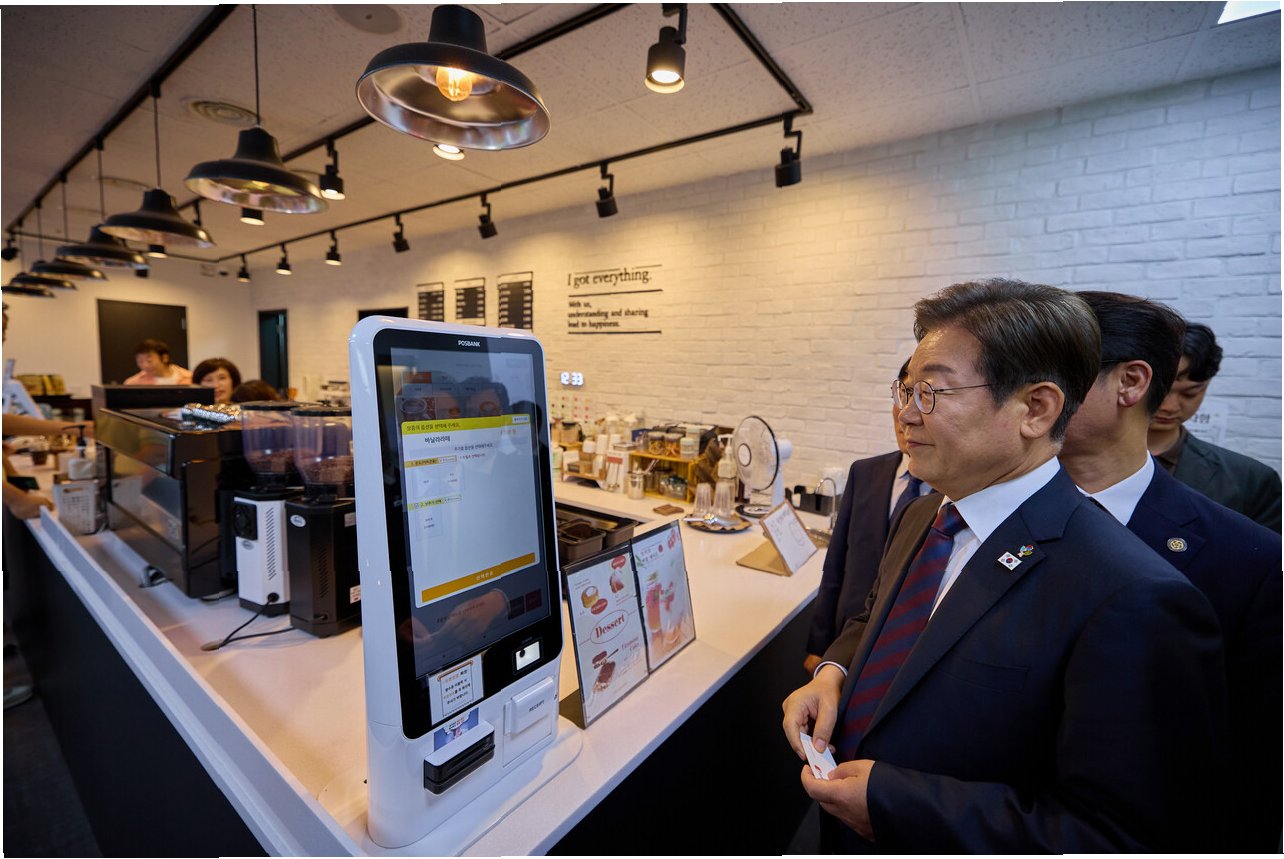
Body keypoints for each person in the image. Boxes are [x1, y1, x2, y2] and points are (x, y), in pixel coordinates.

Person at [782, 278, 1226, 852]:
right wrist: (832, 675)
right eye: (906, 389)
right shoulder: (924, 516)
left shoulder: (1132, 594)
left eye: (932, 392)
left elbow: (1118, 833)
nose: (906, 414)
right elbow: (876, 617)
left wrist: (900, 805)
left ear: (1036, 409)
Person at [1060, 291, 1282, 851]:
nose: (1025, 394)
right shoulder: (965, 514)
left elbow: (1251, 752)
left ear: (1130, 382)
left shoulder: (1251, 557)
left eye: (1053, 371)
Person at [804, 358, 932, 674]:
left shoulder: (951, 496)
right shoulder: (864, 473)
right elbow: (835, 564)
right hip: (842, 639)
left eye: (922, 398)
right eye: (902, 395)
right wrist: (818, 645)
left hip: (899, 654)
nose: (904, 414)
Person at [1148, 322, 1281, 532]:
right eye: (1162, 391)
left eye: (1190, 393)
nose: (1170, 406)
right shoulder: (1091, 460)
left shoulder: (1251, 480)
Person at [122, 338, 192, 386]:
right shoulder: (133, 384)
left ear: (165, 358)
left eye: (149, 361)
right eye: (140, 361)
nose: (145, 365)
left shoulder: (189, 378)